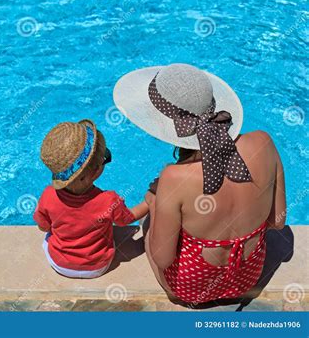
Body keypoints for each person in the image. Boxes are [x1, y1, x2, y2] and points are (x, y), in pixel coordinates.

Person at [114, 63, 286, 304]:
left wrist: (155, 203)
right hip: (248, 278)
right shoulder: (263, 143)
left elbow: (163, 259)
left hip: (190, 290)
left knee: (151, 222)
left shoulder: (174, 178)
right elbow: (278, 222)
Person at [34, 119, 148, 278]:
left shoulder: (48, 196)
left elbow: (44, 227)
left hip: (60, 265)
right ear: (95, 172)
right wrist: (149, 201)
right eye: (105, 158)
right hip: (97, 266)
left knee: (48, 237)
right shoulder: (108, 200)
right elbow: (126, 219)